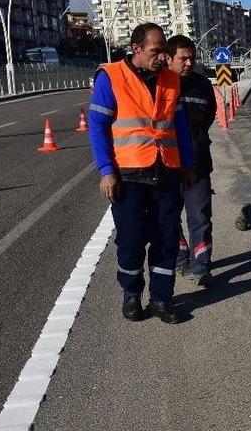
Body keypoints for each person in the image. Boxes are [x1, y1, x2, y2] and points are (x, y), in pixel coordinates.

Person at [88, 23, 193, 324]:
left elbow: (180, 128)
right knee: (132, 240)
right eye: (155, 51)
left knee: (166, 239)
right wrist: (106, 170)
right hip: (129, 174)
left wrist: (187, 165)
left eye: (164, 51)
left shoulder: (172, 79)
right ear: (136, 49)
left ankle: (161, 299)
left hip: (167, 172)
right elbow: (97, 126)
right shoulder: (111, 77)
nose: (162, 57)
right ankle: (132, 294)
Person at [166, 35, 217, 288]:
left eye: (192, 58)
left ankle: (202, 265)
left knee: (200, 216)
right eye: (183, 58)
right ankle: (181, 258)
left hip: (197, 163)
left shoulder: (202, 85)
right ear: (168, 58)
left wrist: (196, 141)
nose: (188, 63)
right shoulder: (160, 85)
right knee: (168, 216)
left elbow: (209, 116)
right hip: (166, 165)